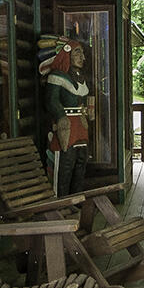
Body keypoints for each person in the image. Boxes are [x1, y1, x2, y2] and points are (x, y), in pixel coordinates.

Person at [39, 34, 91, 195]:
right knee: (65, 162)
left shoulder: (80, 77)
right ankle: (61, 200)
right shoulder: (57, 76)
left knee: (81, 160)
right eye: (77, 53)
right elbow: (52, 101)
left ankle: (76, 199)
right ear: (66, 54)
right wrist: (61, 116)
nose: (82, 57)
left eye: (82, 53)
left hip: (80, 124)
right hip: (66, 125)